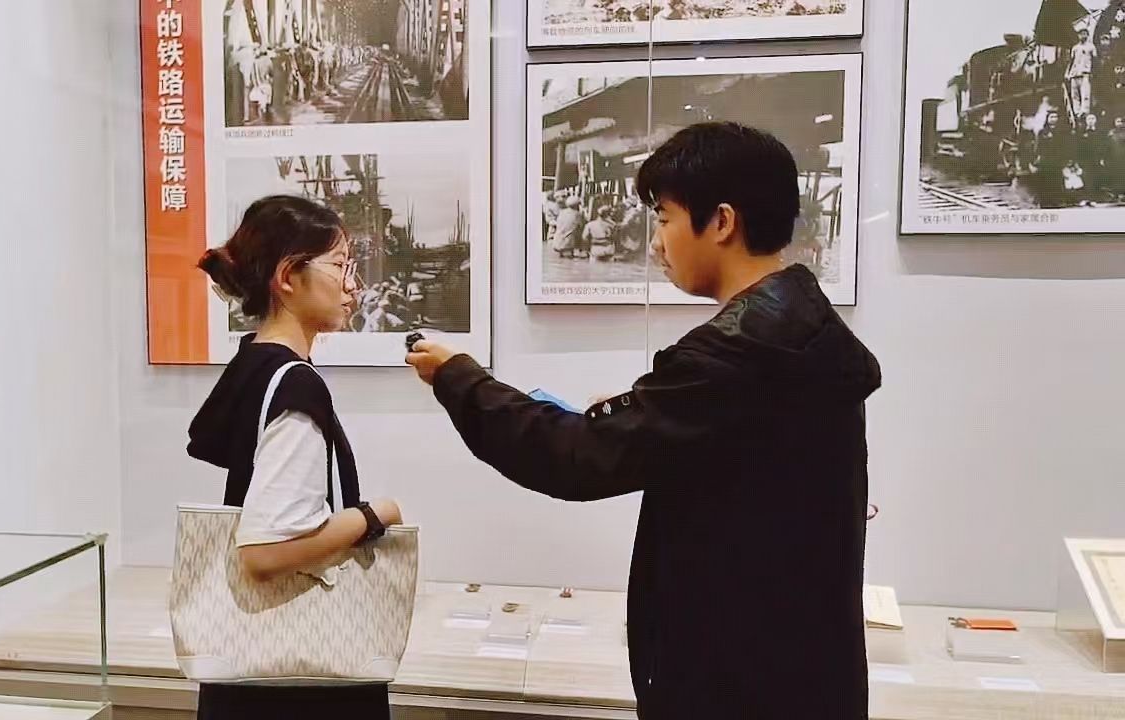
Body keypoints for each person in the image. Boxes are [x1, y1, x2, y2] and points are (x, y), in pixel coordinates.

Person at [406, 122, 881, 719]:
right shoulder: (803, 331)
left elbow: (574, 457)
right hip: (804, 670)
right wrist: (644, 408)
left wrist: (458, 377)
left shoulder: (732, 354)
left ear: (722, 222)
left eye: (664, 218)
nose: (657, 242)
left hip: (732, 682)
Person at [187, 195, 403, 719]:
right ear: (288, 276)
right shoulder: (296, 384)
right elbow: (264, 553)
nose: (353, 285)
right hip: (299, 686)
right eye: (340, 266)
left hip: (250, 668)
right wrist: (374, 515)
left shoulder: (254, 365)